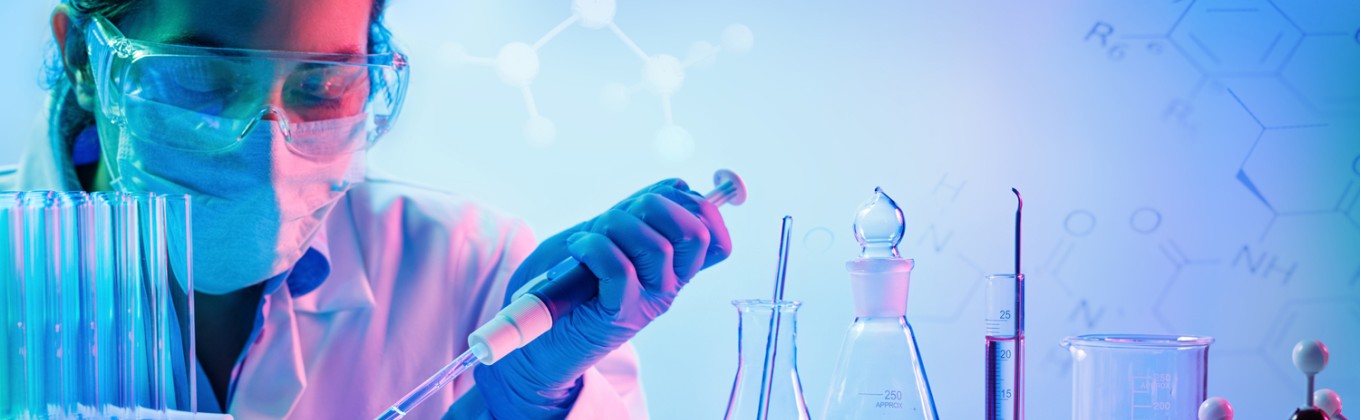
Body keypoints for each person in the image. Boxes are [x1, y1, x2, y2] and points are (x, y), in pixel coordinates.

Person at [0, 0, 732, 418]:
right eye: (200, 77)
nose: (269, 143)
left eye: (323, 87)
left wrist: (527, 399)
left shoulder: (475, 271)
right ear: (82, 61)